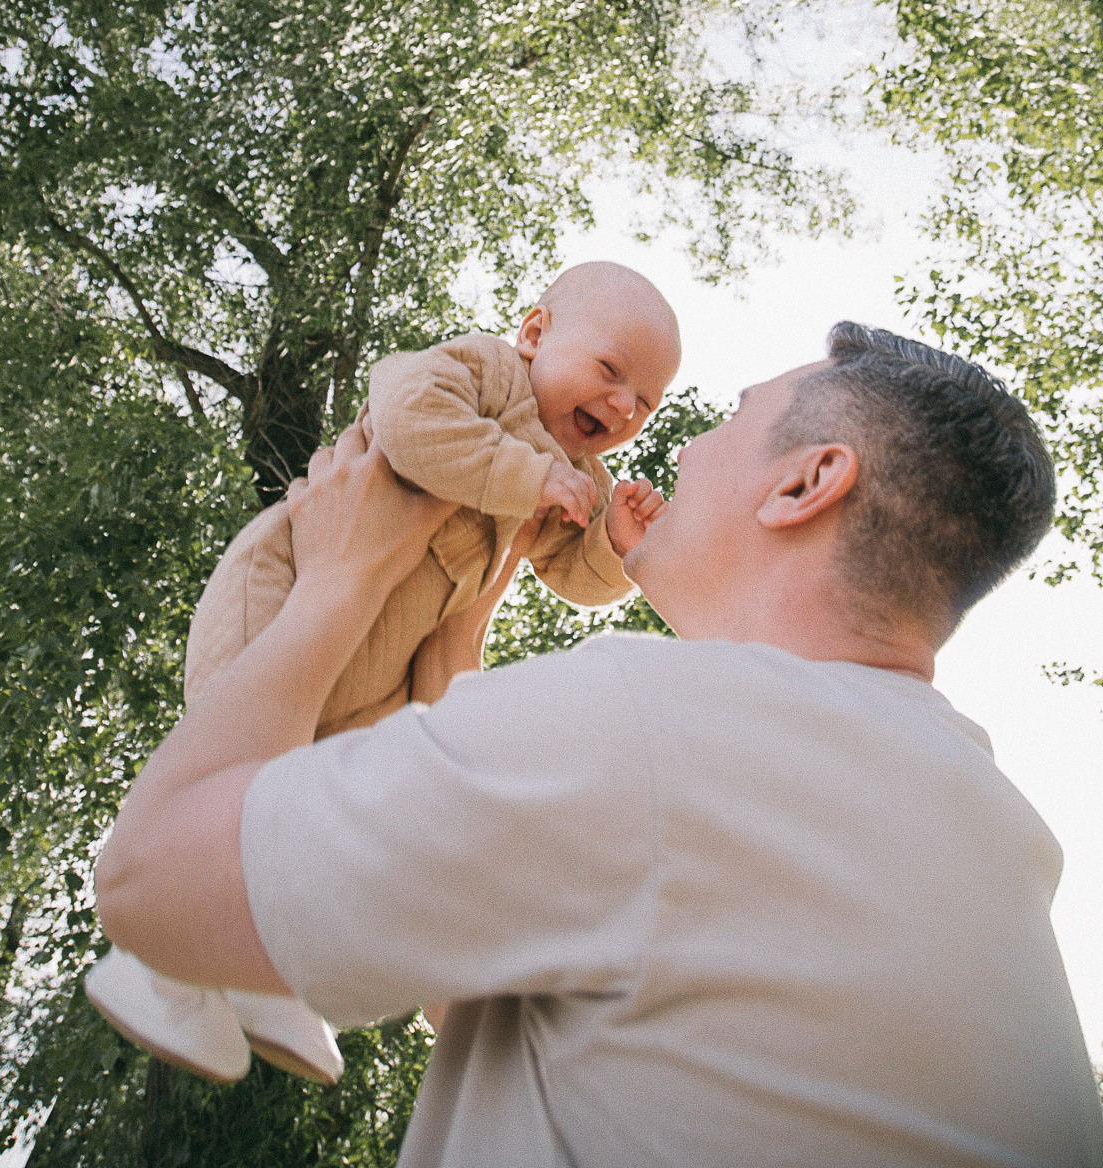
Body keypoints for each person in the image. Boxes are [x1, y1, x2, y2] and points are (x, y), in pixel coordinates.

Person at [93, 323, 1103, 1166]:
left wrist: (339, 584)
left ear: (805, 484)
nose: (674, 447)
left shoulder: (648, 720)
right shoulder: (991, 832)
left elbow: (152, 885)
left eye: (722, 419)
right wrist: (457, 629)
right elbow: (470, 994)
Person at [84, 261, 681, 1085]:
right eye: (612, 372)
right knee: (248, 769)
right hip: (294, 587)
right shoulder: (484, 371)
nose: (623, 407)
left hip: (384, 664)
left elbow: (571, 578)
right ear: (536, 335)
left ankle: (270, 971)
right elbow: (408, 417)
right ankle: (159, 962)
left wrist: (614, 544)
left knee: (334, 809)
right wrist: (524, 475)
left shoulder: (579, 479)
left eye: (645, 402)